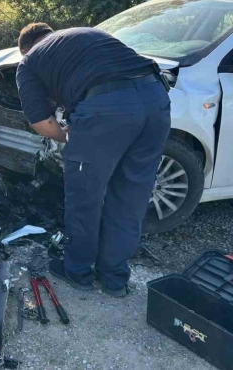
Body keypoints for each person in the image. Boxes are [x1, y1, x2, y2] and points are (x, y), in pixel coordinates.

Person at [16, 24, 171, 298]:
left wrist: (69, 137)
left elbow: (41, 121)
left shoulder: (29, 61)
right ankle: (115, 278)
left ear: (26, 48)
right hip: (156, 100)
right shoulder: (87, 34)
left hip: (105, 108)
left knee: (85, 195)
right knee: (131, 196)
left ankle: (78, 271)